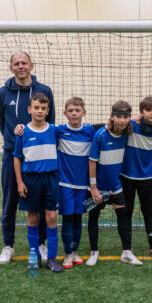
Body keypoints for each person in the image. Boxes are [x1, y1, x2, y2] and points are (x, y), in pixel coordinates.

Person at [0, 51, 55, 265]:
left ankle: (41, 243)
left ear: (32, 65)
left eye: (24, 63)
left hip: (39, 156)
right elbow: (2, 123)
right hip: (12, 154)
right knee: (10, 200)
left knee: (40, 203)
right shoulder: (3, 93)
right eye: (16, 63)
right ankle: (8, 245)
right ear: (11, 68)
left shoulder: (44, 90)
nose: (20, 66)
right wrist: (15, 139)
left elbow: (50, 121)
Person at [87, 100, 142, 266]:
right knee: (94, 217)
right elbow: (92, 162)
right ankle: (94, 252)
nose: (122, 120)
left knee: (123, 215)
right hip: (99, 186)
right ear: (112, 116)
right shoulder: (100, 135)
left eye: (126, 117)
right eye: (119, 117)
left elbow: (149, 119)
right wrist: (94, 188)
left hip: (115, 185)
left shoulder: (127, 132)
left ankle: (127, 252)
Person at [13, 93, 62, 273]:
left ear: (48, 111)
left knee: (52, 217)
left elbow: (75, 129)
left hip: (50, 178)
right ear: (29, 109)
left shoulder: (55, 130)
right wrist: (19, 182)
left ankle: (52, 259)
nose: (40, 111)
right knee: (33, 217)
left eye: (43, 108)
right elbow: (17, 158)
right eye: (36, 107)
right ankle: (34, 257)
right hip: (31, 180)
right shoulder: (22, 132)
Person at [120, 96, 152, 261]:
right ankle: (127, 248)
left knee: (148, 212)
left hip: (146, 179)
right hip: (126, 177)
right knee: (126, 213)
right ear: (141, 112)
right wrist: (131, 118)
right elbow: (115, 122)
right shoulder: (131, 125)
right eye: (148, 110)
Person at [55, 97, 95, 269]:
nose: (74, 113)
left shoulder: (90, 131)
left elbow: (107, 128)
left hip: (83, 185)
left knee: (78, 217)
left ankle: (75, 251)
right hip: (65, 184)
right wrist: (20, 127)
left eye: (77, 110)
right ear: (65, 113)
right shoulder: (59, 131)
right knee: (68, 217)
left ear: (83, 113)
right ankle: (67, 255)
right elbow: (40, 128)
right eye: (70, 111)